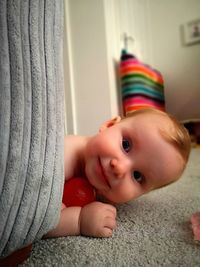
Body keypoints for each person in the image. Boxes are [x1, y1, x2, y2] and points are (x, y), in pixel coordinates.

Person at [46, 108, 191, 239]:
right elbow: (35, 219)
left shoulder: (103, 185)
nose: (120, 168)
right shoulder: (60, 157)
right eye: (125, 145)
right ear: (109, 125)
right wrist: (79, 220)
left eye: (137, 176)